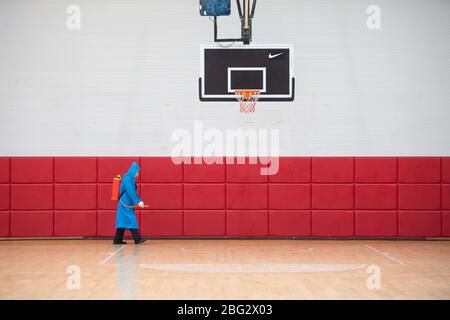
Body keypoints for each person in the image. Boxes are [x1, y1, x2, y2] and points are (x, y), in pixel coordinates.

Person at [113, 162, 146, 245]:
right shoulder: (127, 179)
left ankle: (117, 240)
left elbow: (133, 192)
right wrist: (138, 201)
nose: (138, 173)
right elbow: (130, 191)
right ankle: (137, 239)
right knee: (132, 220)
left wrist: (138, 200)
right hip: (125, 204)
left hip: (126, 203)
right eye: (137, 171)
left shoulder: (130, 178)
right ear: (133, 171)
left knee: (122, 221)